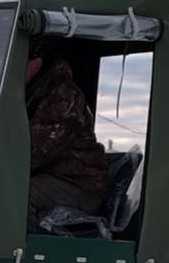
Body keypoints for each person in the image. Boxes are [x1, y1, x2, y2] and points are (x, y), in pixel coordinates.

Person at [25, 45, 108, 231]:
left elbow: (36, 151)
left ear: (36, 63)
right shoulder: (30, 92)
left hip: (77, 184)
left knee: (16, 193)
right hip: (50, 175)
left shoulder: (63, 96)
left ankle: (19, 252)